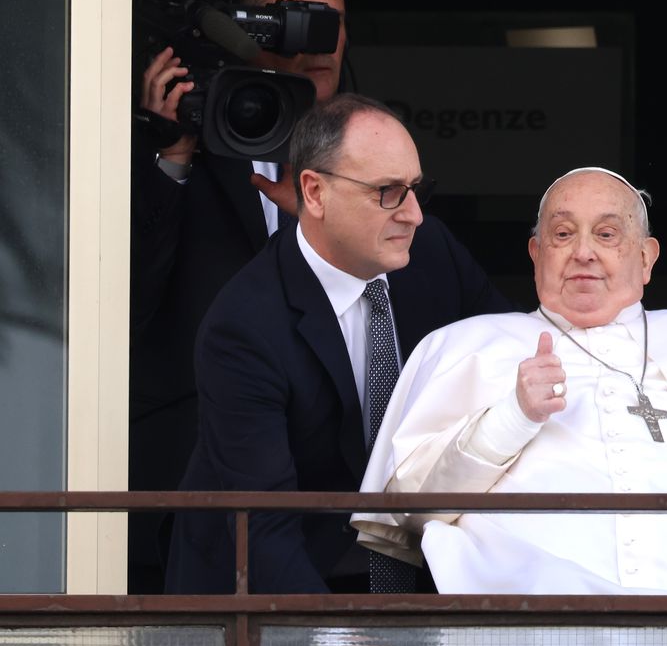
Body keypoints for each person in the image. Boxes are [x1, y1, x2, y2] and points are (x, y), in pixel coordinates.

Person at [353, 167, 667, 597]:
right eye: (563, 234)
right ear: (536, 254)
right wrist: (511, 418)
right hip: (532, 626)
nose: (583, 252)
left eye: (606, 234)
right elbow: (411, 508)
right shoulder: (463, 347)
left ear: (646, 258)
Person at [164, 93, 511, 595]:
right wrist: (332, 645)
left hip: (421, 571)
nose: (413, 214)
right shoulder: (244, 327)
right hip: (280, 586)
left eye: (416, 189)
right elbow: (264, 525)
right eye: (388, 191)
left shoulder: (431, 252)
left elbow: (514, 350)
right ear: (315, 192)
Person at [129, 0, 357, 593]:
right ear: (234, 28)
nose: (317, 42)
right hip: (182, 495)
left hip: (331, 516)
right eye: (292, 20)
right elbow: (118, 307)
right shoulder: (181, 141)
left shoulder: (370, 153)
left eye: (331, 22)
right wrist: (167, 153)